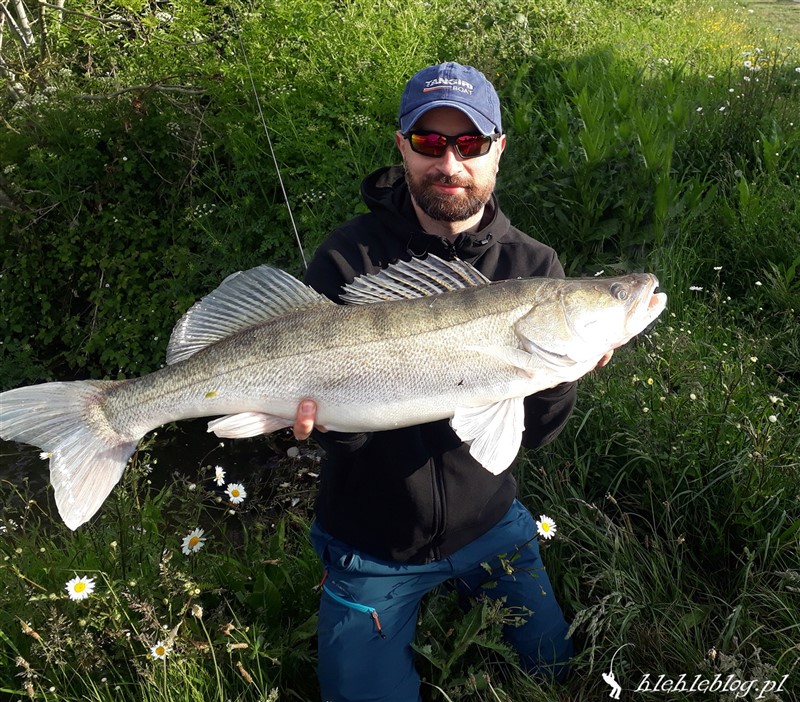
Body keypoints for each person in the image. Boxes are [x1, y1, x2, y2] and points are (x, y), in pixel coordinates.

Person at [292, 62, 611, 702]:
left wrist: (558, 373)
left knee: (553, 671)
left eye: (468, 144)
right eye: (430, 143)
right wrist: (328, 426)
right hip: (373, 540)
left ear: (498, 150)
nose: (450, 163)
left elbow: (535, 434)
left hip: (489, 522)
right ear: (402, 146)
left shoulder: (533, 265)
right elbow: (309, 428)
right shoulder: (346, 257)